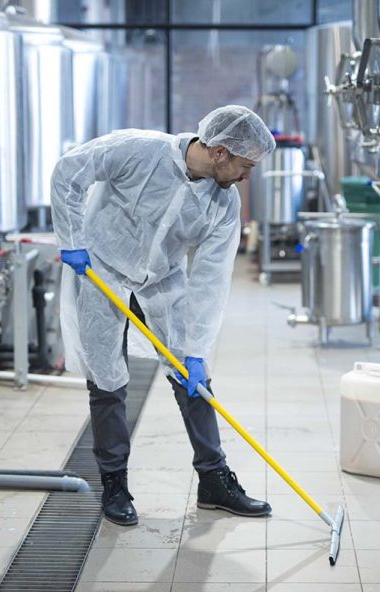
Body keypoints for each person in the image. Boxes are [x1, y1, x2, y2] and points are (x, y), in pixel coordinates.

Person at [50, 105, 276, 526]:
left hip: (160, 281)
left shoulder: (224, 204)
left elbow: (210, 280)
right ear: (221, 152)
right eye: (246, 166)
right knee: (107, 381)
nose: (248, 177)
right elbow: (70, 172)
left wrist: (197, 350)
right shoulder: (138, 150)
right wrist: (72, 239)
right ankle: (114, 483)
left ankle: (214, 481)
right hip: (103, 268)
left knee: (194, 380)